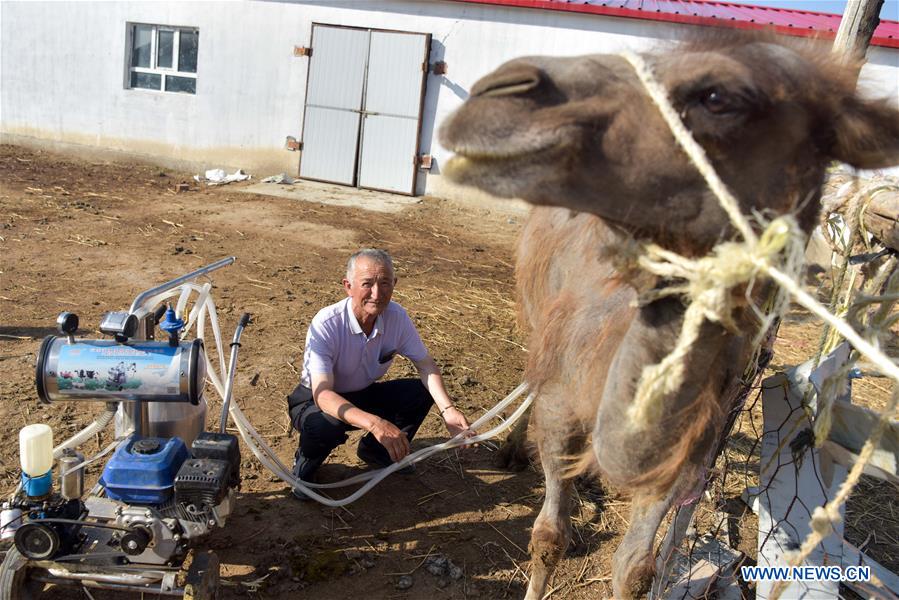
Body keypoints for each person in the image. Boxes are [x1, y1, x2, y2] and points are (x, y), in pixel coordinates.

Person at [287, 248, 473, 499]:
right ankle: (306, 463)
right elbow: (323, 395)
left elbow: (425, 365)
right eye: (367, 284)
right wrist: (375, 423)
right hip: (315, 400)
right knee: (325, 424)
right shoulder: (327, 323)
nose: (377, 293)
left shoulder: (397, 317)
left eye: (385, 283)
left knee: (420, 392)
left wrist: (449, 411)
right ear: (348, 286)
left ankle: (378, 451)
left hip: (362, 393)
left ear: (394, 284)